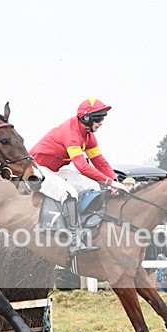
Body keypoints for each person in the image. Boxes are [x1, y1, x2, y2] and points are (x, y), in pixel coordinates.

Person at [30, 99, 127, 256]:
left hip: (54, 170)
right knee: (69, 193)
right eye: (99, 118)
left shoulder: (88, 136)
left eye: (103, 117)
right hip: (37, 171)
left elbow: (100, 163)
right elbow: (81, 166)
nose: (102, 122)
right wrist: (109, 182)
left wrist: (115, 182)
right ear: (86, 117)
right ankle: (74, 241)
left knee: (93, 187)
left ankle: (87, 231)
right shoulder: (72, 133)